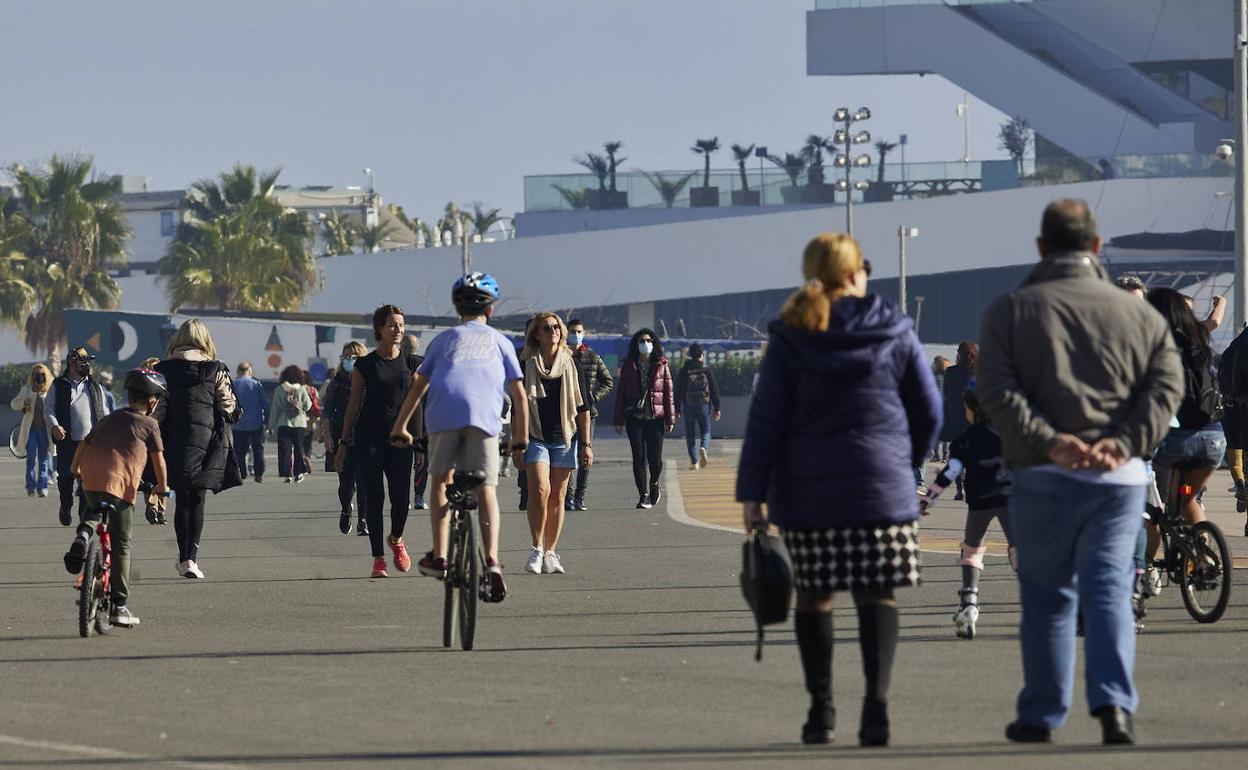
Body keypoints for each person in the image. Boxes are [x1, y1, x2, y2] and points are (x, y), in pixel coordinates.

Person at [978, 199, 1182, 745]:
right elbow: (1167, 387)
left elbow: (997, 392)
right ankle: (1114, 707)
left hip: (1044, 473)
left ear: (1042, 248)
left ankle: (1042, 714)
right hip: (1120, 479)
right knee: (1110, 588)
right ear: (1096, 247)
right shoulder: (1138, 314)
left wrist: (1051, 442)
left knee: (1048, 597)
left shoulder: (1011, 310)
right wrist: (1124, 442)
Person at [738, 232, 941, 747]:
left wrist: (752, 495)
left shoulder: (791, 334)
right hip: (882, 491)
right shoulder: (894, 328)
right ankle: (876, 710)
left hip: (808, 494)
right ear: (856, 274)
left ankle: (820, 711)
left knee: (815, 597)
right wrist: (904, 464)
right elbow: (929, 411)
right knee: (878, 593)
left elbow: (766, 421)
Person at [388, 273, 529, 602]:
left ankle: (440, 556)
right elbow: (519, 396)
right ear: (490, 311)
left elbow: (418, 386)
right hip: (484, 419)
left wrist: (401, 427)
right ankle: (492, 562)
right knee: (487, 489)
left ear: (457, 308)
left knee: (439, 481)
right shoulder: (501, 342)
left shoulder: (443, 340)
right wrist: (520, 437)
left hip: (444, 416)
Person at [61, 368, 169, 628]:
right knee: (122, 545)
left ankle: (83, 535)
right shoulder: (150, 424)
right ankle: (119, 606)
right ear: (152, 401)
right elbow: (159, 461)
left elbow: (84, 445)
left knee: (93, 510)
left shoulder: (108, 419)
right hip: (120, 485)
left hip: (91, 478)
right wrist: (162, 487)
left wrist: (76, 469)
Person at [1142, 287, 1227, 585]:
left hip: (1178, 441)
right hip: (1215, 439)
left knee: (1157, 509)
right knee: (1189, 496)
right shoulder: (1202, 343)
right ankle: (1202, 554)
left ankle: (1147, 567)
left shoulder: (1159, 345)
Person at [920, 386, 1014, 640]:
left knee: (972, 549)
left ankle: (969, 602)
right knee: (1019, 549)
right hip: (1010, 500)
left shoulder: (966, 439)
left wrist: (928, 501)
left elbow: (950, 473)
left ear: (972, 410)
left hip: (979, 503)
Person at [334, 305, 421, 578]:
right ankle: (378, 559)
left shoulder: (412, 363)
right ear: (380, 329)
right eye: (393, 325)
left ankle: (396, 539)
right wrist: (343, 442)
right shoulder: (365, 365)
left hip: (401, 439)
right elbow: (354, 405)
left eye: (401, 325)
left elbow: (417, 405)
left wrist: (419, 441)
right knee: (374, 498)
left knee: (400, 500)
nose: (398, 330)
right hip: (369, 439)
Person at [155, 319, 244, 580]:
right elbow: (229, 406)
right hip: (206, 442)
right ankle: (191, 558)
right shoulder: (216, 369)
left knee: (181, 498)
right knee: (197, 499)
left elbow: (156, 410)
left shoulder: (163, 370)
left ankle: (183, 557)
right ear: (205, 340)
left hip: (173, 440)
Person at [518, 312, 593, 575]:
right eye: (546, 328)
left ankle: (551, 552)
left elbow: (583, 407)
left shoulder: (572, 364)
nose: (553, 331)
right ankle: (536, 548)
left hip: (565, 438)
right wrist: (516, 442)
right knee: (539, 490)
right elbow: (517, 406)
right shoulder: (525, 363)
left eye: (556, 327)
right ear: (536, 334)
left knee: (558, 498)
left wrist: (586, 444)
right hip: (535, 436)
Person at [46, 346, 112, 525]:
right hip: (67, 441)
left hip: (91, 443)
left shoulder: (95, 386)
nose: (87, 365)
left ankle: (85, 515)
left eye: (88, 362)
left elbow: (105, 412)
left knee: (87, 480)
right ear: (71, 363)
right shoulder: (58, 385)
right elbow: (49, 408)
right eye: (83, 362)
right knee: (65, 477)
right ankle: (65, 505)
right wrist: (55, 425)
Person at [613, 328, 676, 509]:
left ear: (654, 343)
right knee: (638, 457)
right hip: (635, 417)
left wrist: (670, 419)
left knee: (655, 458)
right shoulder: (628, 366)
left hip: (656, 418)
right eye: (641, 341)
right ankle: (643, 495)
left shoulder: (662, 365)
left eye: (648, 341)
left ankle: (654, 482)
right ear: (636, 344)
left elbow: (668, 394)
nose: (645, 344)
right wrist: (618, 419)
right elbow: (621, 393)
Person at [564, 319, 613, 511]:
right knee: (565, 455)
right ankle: (567, 496)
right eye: (572, 331)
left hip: (587, 414)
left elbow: (608, 381)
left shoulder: (593, 357)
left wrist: (593, 397)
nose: (575, 335)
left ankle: (579, 496)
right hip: (565, 414)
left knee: (585, 454)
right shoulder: (562, 357)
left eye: (578, 331)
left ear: (584, 333)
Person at [323, 342, 368, 535]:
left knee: (365, 481)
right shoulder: (337, 382)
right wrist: (326, 435)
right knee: (346, 482)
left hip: (366, 435)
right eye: (347, 356)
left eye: (355, 356)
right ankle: (346, 509)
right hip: (342, 436)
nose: (351, 360)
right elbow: (327, 412)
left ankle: (363, 520)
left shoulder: (370, 379)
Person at [674, 343, 721, 472]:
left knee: (690, 434)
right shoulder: (706, 370)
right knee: (706, 430)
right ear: (701, 355)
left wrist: (677, 409)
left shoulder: (684, 371)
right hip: (703, 405)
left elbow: (677, 391)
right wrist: (717, 407)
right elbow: (714, 389)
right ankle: (704, 448)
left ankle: (694, 462)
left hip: (688, 405)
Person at [938, 342, 977, 500]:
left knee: (957, 455)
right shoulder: (980, 372)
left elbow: (946, 395)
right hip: (974, 419)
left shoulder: (951, 372)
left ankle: (960, 488)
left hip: (954, 418)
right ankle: (969, 485)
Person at [11, 363, 54, 497]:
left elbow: (56, 408)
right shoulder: (27, 389)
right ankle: (30, 485)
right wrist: (25, 401)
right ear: (32, 376)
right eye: (36, 374)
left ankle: (42, 487)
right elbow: (14, 404)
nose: (39, 377)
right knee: (30, 459)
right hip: (31, 430)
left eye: (42, 374)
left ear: (46, 375)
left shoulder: (50, 391)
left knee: (44, 459)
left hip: (45, 431)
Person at [402, 333, 430, 511]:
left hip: (402, 420)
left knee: (403, 464)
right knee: (422, 462)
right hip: (425, 421)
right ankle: (419, 496)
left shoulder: (398, 363)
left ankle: (404, 497)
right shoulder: (427, 365)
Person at [270, 365, 311, 483]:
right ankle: (298, 473)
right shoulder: (302, 389)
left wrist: (271, 425)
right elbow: (308, 406)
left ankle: (286, 474)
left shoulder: (279, 389)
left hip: (284, 423)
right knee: (299, 448)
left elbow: (275, 409)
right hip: (299, 423)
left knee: (285, 449)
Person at [232, 362, 268, 483]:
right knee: (258, 449)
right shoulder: (256, 384)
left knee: (239, 450)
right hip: (256, 422)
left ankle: (242, 473)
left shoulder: (234, 384)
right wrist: (267, 420)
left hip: (239, 423)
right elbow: (265, 404)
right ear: (249, 370)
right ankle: (259, 474)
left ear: (238, 371)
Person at [301, 368, 321, 474]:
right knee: (308, 444)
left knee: (298, 444)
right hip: (310, 421)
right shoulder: (312, 390)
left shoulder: (295, 389)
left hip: (298, 421)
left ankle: (303, 459)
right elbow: (316, 406)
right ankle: (307, 457)